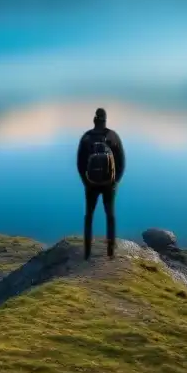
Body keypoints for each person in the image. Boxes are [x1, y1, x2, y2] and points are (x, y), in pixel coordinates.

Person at [76, 107, 126, 259]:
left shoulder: (86, 137)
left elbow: (80, 163)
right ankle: (110, 252)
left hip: (91, 184)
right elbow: (121, 162)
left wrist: (86, 181)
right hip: (108, 185)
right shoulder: (113, 136)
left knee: (89, 216)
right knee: (110, 216)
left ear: (94, 120)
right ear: (105, 120)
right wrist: (115, 181)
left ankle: (87, 252)